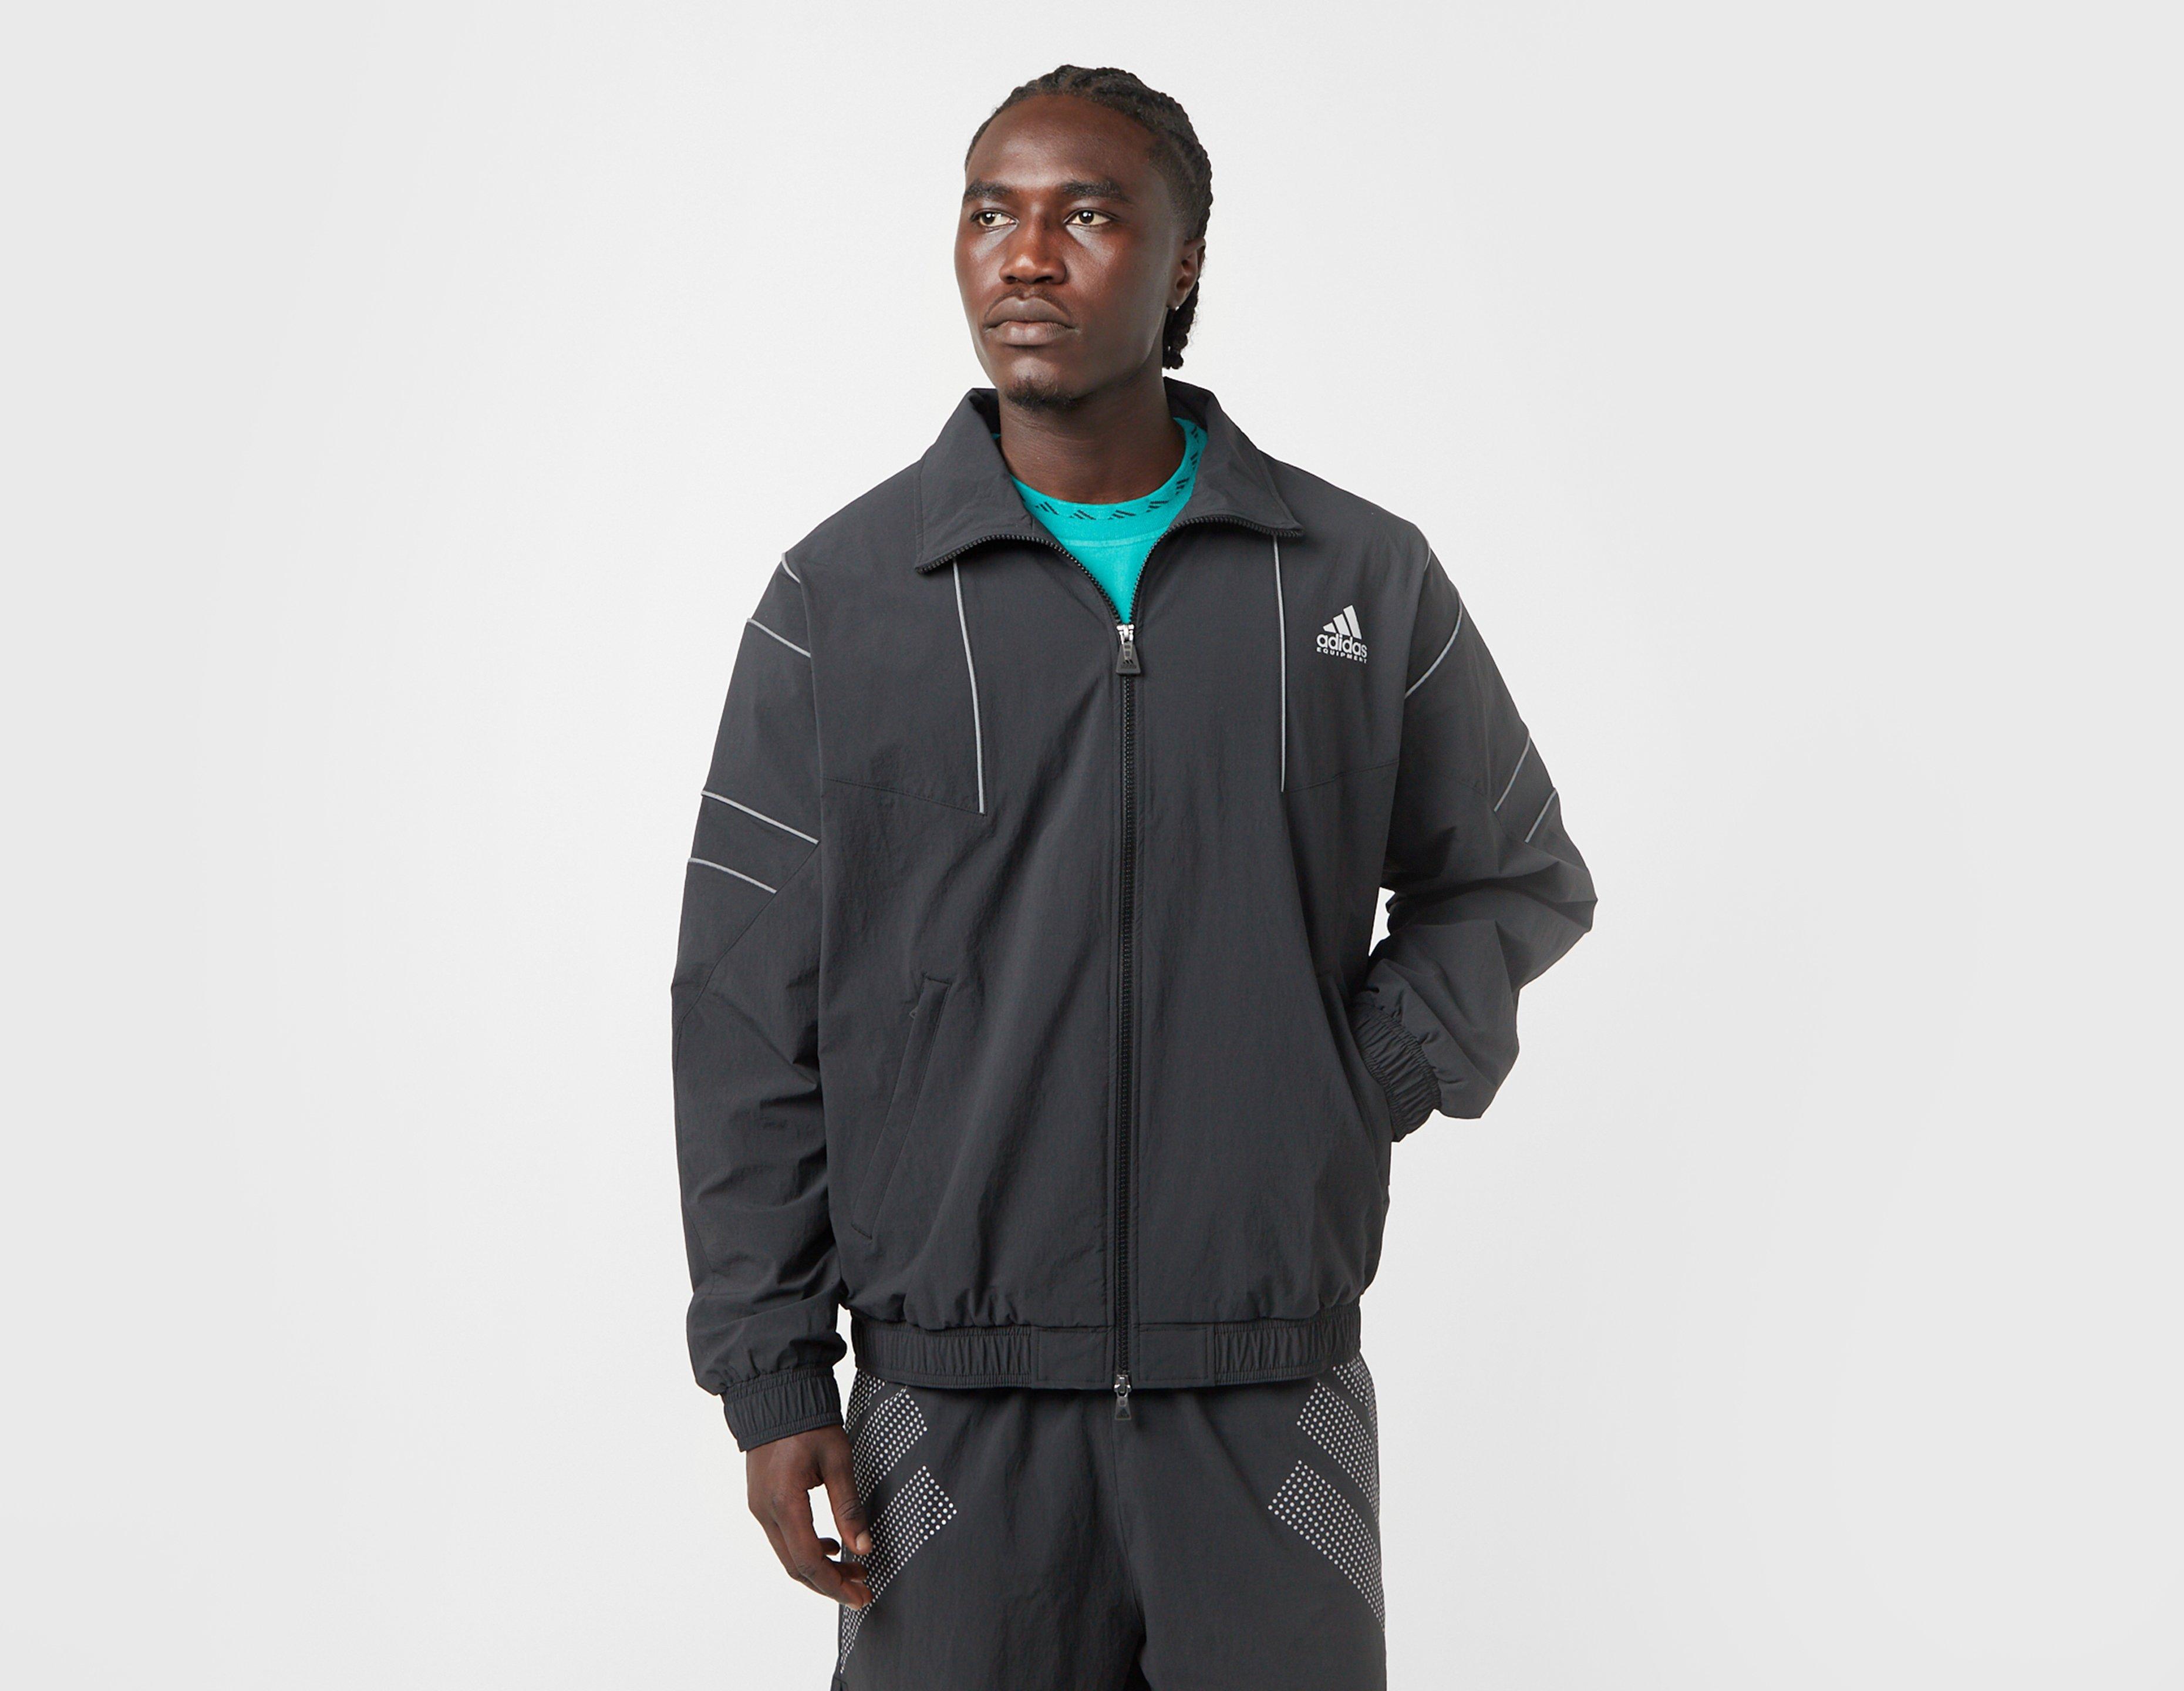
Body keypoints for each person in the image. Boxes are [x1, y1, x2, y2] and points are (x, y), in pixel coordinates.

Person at [670, 64, 1596, 1690]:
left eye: (1087, 215)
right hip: (949, 1412)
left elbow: (1513, 875)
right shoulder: (842, 600)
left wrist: (1344, 1082)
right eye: (991, 214)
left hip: (1267, 1400)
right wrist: (774, 1375)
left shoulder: (1356, 578)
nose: (1027, 257)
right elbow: (747, 1011)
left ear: (1184, 266)